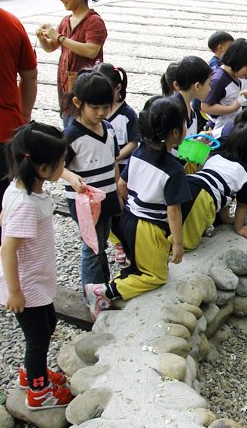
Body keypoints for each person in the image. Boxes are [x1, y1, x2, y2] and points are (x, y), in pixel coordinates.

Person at [84, 97, 191, 320]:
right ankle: (104, 292)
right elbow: (174, 211)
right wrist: (179, 244)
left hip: (128, 219)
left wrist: (130, 206)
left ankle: (122, 278)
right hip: (148, 227)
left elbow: (121, 185)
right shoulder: (174, 170)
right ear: (175, 132)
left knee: (139, 262)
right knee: (155, 276)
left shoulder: (139, 152)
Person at [0, 122, 72, 410]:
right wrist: (14, 291)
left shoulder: (20, 188)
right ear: (42, 168)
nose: (64, 165)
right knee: (38, 338)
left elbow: (4, 220)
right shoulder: (27, 203)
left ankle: (32, 374)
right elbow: (9, 247)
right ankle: (38, 391)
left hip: (35, 279)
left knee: (47, 324)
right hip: (25, 284)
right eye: (61, 162)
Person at [0, 0, 37, 283]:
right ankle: (3, 270)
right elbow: (29, 75)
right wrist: (24, 117)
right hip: (1, 128)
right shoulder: (8, 22)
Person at [61, 71, 121, 295]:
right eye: (94, 107)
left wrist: (118, 189)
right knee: (92, 247)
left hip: (108, 195)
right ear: (78, 103)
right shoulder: (72, 136)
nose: (101, 113)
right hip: (86, 202)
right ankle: (92, 294)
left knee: (102, 242)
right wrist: (71, 178)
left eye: (105, 107)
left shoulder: (108, 129)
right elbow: (56, 167)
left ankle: (101, 287)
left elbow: (113, 161)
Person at [181, 123, 247, 247]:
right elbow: (242, 205)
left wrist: (225, 219)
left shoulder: (215, 156)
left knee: (179, 222)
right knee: (188, 242)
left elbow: (220, 191)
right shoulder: (246, 172)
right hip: (202, 196)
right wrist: (239, 227)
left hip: (187, 183)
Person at [36, 0, 107, 124]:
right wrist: (42, 38)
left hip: (86, 89)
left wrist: (59, 38)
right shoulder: (66, 20)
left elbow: (91, 51)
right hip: (66, 90)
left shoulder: (94, 21)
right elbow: (51, 46)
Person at [95, 62, 139, 264]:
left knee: (123, 206)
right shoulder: (97, 115)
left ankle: (127, 240)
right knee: (110, 208)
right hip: (104, 169)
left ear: (118, 88)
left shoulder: (127, 114)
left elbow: (133, 142)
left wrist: (115, 156)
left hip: (122, 168)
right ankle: (117, 242)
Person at [201, 39, 247, 138]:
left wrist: (244, 93)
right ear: (236, 58)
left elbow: (228, 96)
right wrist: (232, 108)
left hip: (229, 127)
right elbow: (205, 107)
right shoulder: (219, 80)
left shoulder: (235, 77)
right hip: (217, 131)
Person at [170, 56, 212, 166]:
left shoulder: (190, 108)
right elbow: (171, 145)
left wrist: (198, 141)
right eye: (209, 84)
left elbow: (182, 143)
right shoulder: (174, 110)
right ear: (197, 86)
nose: (210, 89)